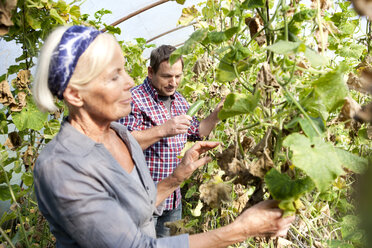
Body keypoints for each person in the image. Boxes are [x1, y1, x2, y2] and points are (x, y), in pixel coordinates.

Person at [32, 25, 295, 247]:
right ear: (75, 94)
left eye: (124, 70)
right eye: (114, 76)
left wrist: (177, 177)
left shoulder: (119, 134)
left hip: (173, 200)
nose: (128, 82)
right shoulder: (61, 167)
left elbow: (141, 207)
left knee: (173, 231)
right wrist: (242, 229)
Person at [119, 45, 223, 237]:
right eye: (167, 76)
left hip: (172, 199)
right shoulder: (134, 99)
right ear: (151, 72)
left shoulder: (180, 101)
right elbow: (123, 144)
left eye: (178, 76)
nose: (173, 82)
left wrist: (216, 115)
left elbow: (196, 132)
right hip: (142, 198)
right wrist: (163, 129)